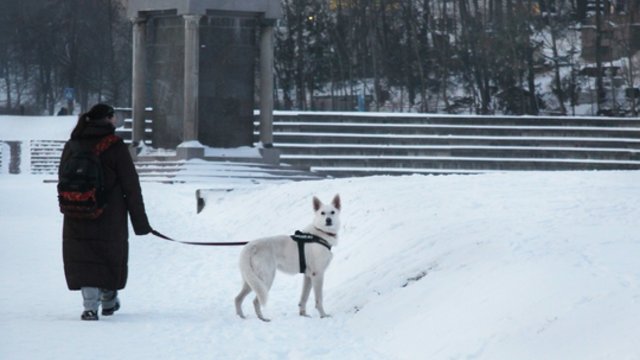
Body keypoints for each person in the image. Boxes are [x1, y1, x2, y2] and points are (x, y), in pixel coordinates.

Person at [59, 103, 152, 321]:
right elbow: (131, 185)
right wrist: (141, 222)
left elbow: (63, 177)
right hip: (110, 214)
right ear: (108, 119)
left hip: (77, 210)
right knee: (108, 256)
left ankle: (90, 307)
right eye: (114, 117)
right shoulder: (115, 145)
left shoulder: (73, 144)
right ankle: (109, 301)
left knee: (84, 258)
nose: (116, 121)